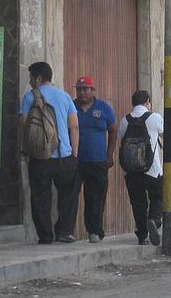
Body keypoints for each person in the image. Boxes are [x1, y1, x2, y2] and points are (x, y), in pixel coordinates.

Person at [20, 61, 79, 244]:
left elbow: (23, 124)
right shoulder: (65, 97)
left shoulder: (31, 97)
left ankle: (45, 236)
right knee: (68, 197)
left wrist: (29, 148)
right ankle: (64, 232)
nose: (30, 82)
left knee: (40, 198)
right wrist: (74, 153)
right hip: (64, 155)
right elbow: (74, 126)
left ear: (38, 78)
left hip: (39, 157)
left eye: (31, 78)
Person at [72, 75, 118, 243]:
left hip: (98, 162)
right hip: (75, 160)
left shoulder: (104, 108)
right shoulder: (71, 106)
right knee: (71, 196)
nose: (82, 92)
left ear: (93, 90)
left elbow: (113, 131)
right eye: (79, 89)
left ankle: (95, 231)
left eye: (86, 89)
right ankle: (67, 231)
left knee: (96, 198)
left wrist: (109, 154)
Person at [117, 90, 164, 246]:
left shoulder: (125, 120)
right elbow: (164, 134)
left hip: (132, 170)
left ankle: (142, 235)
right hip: (152, 169)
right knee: (157, 197)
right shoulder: (155, 118)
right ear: (147, 102)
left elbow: (122, 139)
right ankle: (154, 220)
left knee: (138, 203)